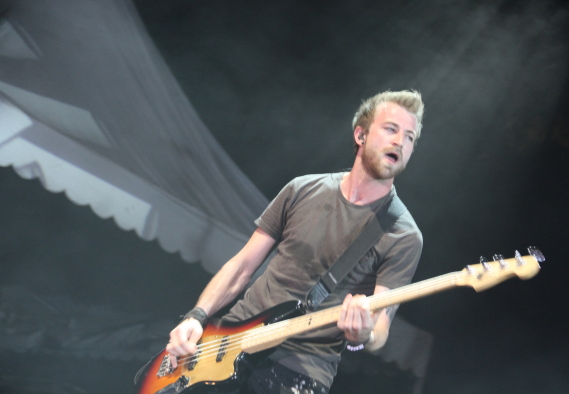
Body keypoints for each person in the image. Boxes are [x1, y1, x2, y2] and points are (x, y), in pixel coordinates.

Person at [167, 90, 424, 394]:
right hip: (225, 343)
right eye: (391, 129)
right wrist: (196, 317)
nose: (400, 142)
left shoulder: (403, 234)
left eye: (409, 137)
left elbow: (380, 328)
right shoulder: (301, 189)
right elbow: (242, 266)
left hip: (299, 371)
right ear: (360, 135)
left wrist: (363, 335)